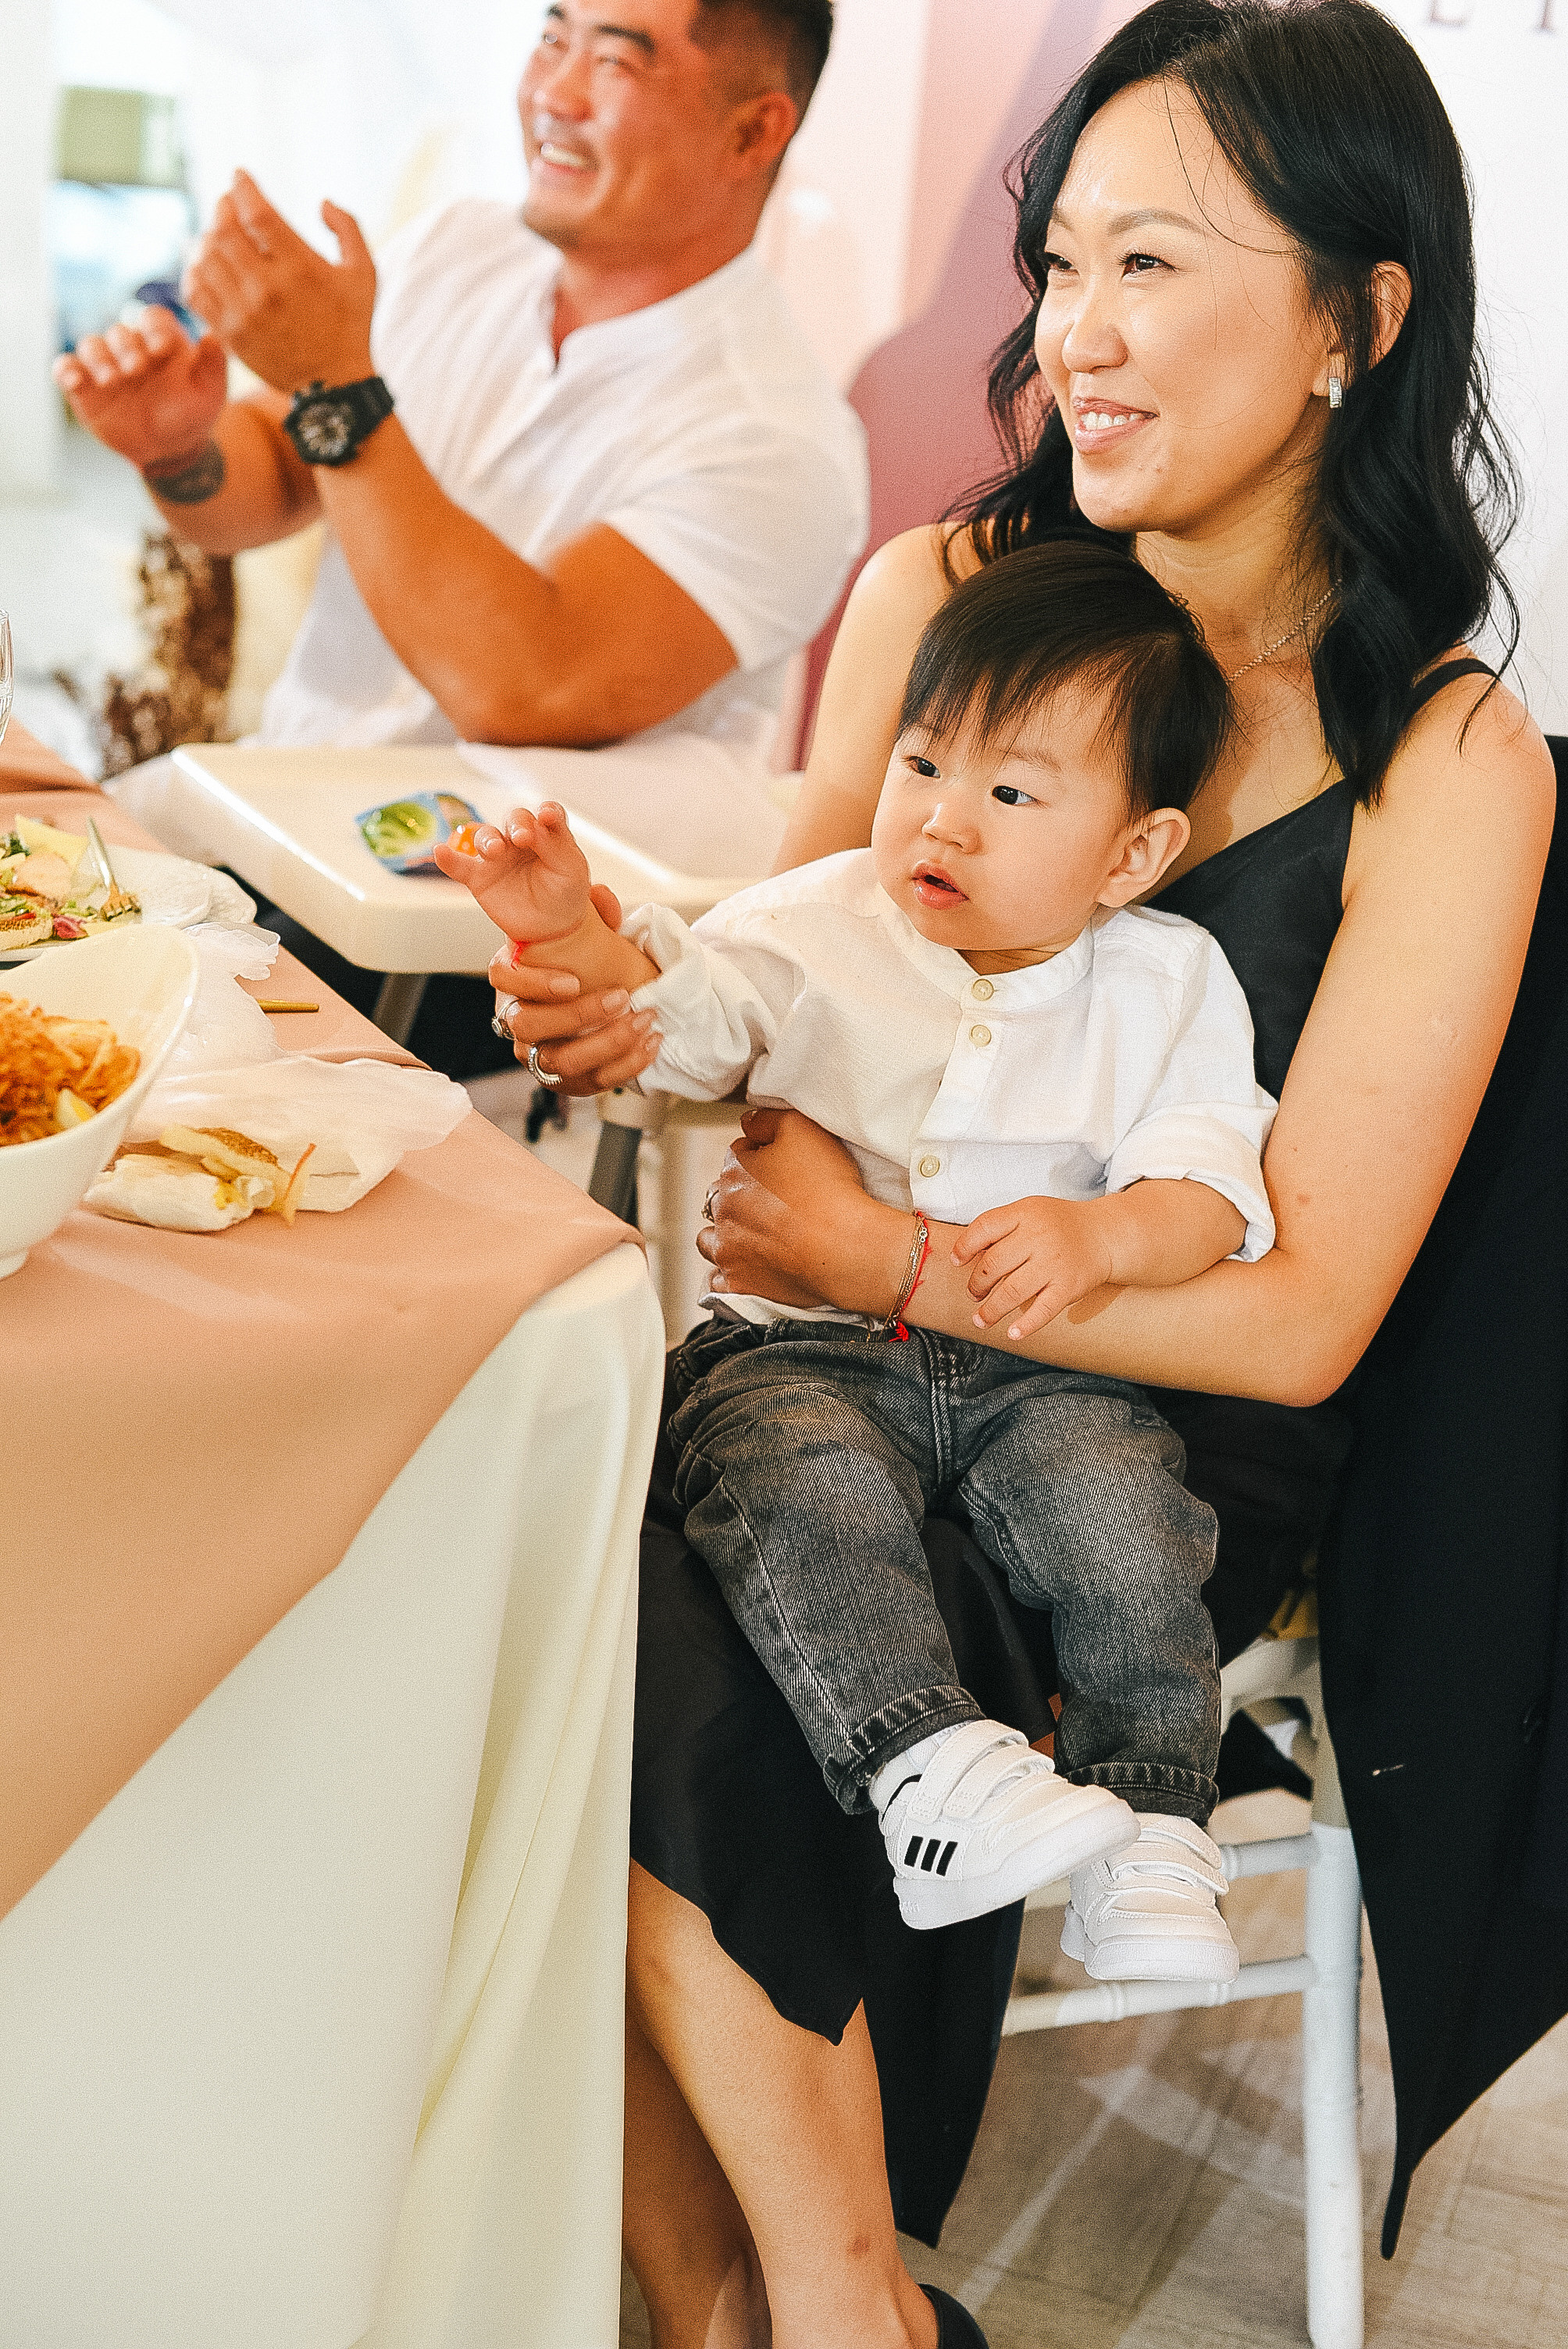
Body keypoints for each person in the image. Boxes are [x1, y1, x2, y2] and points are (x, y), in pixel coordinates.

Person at [495, 2, 1559, 2343]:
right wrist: (624, 1012)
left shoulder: (1447, 756)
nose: (1073, 332)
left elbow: (1307, 1317)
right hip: (832, 1378)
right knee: (551, 1574)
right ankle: (823, 2310)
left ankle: (787, 2311)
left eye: (1152, 266)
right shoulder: (931, 597)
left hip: (1160, 1452)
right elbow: (768, 1050)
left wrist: (888, 1258)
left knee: (673, 1637)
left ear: (1358, 324)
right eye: (1060, 261)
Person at [446, 539, 1279, 1969]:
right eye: (921, 765)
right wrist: (561, 929)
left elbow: (1213, 1171)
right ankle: (933, 1775)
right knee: (798, 1493)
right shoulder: (816, 922)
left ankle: (1152, 1830)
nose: (941, 825)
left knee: (1127, 1526)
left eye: (1011, 793)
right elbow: (678, 1018)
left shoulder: (1165, 980)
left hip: (1041, 1367)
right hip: (799, 1350)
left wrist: (1108, 1232)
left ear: (1134, 852)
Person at [52, 0, 867, 1071]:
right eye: (551, 36)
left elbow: (522, 679)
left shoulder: (780, 438)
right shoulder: (461, 249)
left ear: (755, 132)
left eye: (613, 59)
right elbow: (274, 477)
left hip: (466, 937)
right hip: (279, 818)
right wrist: (178, 448)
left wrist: (336, 382)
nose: (553, 93)